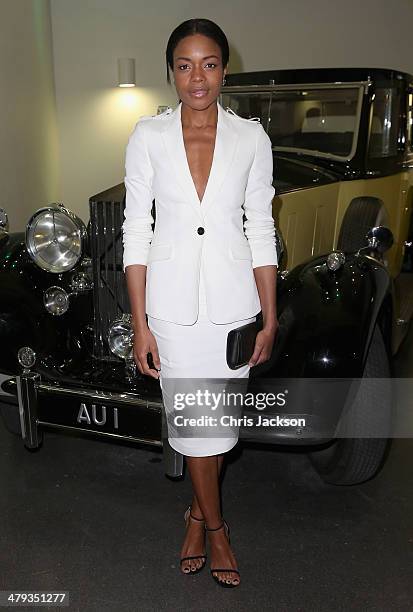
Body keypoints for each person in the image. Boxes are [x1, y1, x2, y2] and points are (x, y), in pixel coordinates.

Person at [122, 18, 279, 588]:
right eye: (185, 65)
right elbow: (136, 231)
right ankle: (216, 530)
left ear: (224, 69)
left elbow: (261, 228)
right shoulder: (147, 136)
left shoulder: (251, 138)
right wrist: (139, 323)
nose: (197, 77)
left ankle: (193, 514)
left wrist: (270, 313)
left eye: (208, 64)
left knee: (217, 428)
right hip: (171, 310)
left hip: (233, 308)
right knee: (196, 428)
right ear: (171, 72)